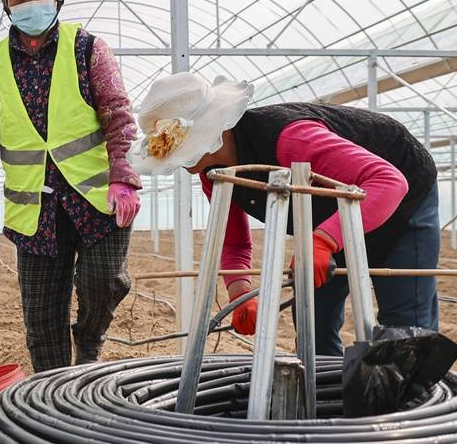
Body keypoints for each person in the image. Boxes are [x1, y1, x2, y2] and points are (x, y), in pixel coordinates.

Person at [131, 72, 439, 355]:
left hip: (402, 205)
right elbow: (234, 243)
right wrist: (241, 292)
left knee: (404, 329)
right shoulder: (214, 172)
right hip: (329, 218)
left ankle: (408, 411)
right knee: (312, 321)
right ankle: (326, 399)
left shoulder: (292, 138)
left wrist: (323, 241)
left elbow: (389, 182)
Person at [0, 0, 142, 372]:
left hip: (97, 198)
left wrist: (123, 175)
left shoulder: (88, 49)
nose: (29, 4)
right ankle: (53, 394)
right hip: (35, 211)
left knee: (103, 282)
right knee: (41, 321)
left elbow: (118, 115)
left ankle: (90, 340)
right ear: (6, 1)